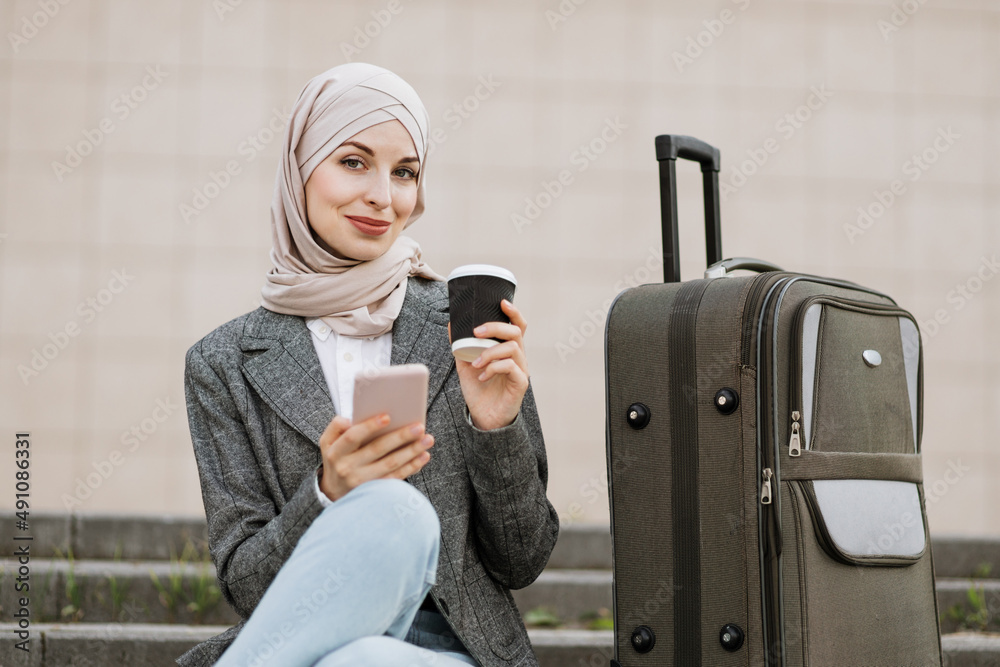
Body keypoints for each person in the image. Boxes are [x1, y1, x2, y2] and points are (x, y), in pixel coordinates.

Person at [176, 63, 560, 667]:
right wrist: (328, 493)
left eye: (405, 172)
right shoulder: (223, 363)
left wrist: (495, 431)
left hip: (452, 647)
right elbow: (247, 586)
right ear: (300, 169)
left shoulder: (465, 324)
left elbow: (523, 559)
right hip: (305, 642)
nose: (384, 196)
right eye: (353, 161)